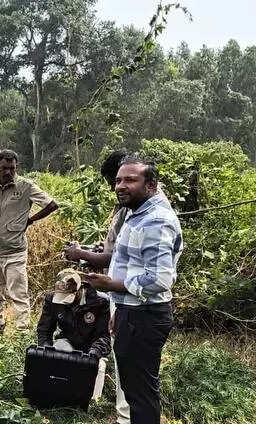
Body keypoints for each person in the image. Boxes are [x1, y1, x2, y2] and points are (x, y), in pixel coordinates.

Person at [83, 156, 183, 424]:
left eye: (130, 180)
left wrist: (112, 285)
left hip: (146, 316)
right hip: (133, 311)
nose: (120, 186)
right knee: (134, 389)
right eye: (117, 180)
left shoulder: (156, 220)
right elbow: (133, 265)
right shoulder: (137, 214)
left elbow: (160, 279)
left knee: (141, 393)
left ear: (151, 185)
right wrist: (121, 306)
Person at [0, 150, 58, 333]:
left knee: (18, 294)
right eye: (4, 168)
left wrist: (30, 220)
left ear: (16, 167)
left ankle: (22, 331)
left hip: (15, 253)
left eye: (12, 168)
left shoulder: (25, 186)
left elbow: (52, 205)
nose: (8, 172)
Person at [36, 268, 111, 400]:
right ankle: (60, 392)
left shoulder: (100, 301)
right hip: (68, 340)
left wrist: (94, 352)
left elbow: (104, 335)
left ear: (80, 289)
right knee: (57, 351)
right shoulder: (52, 300)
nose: (64, 301)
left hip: (92, 344)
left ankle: (93, 401)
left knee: (97, 366)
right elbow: (44, 329)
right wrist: (45, 349)